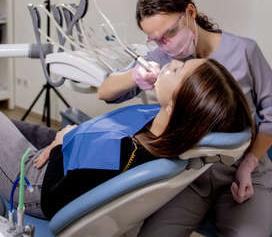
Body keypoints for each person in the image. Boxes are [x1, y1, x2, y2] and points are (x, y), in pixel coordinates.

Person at [98, 0, 272, 237]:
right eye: (155, 40)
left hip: (242, 171)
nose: (165, 45)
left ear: (190, 12)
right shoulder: (162, 58)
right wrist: (135, 76)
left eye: (170, 33)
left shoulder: (244, 51)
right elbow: (105, 91)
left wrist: (249, 164)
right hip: (188, 175)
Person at [0, 58, 254, 221]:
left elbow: (53, 203)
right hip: (67, 152)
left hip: (36, 183)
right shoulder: (164, 128)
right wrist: (68, 137)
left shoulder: (121, 153)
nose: (172, 61)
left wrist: (59, 145)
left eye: (177, 69)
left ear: (175, 106)